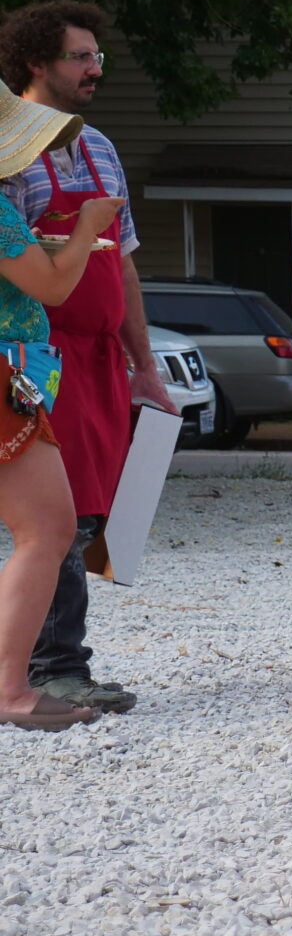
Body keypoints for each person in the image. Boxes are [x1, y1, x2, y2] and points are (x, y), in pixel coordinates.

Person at [1, 0, 180, 714]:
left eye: (97, 55)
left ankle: (55, 662)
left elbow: (123, 263)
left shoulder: (100, 147)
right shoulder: (9, 154)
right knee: (58, 518)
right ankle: (50, 665)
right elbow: (35, 273)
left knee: (91, 510)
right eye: (80, 56)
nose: (95, 68)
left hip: (100, 358)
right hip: (37, 358)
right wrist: (78, 232)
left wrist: (144, 365)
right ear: (34, 63)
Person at [0, 93, 127, 729]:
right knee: (49, 531)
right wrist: (85, 230)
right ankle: (13, 689)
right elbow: (51, 287)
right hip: (7, 377)